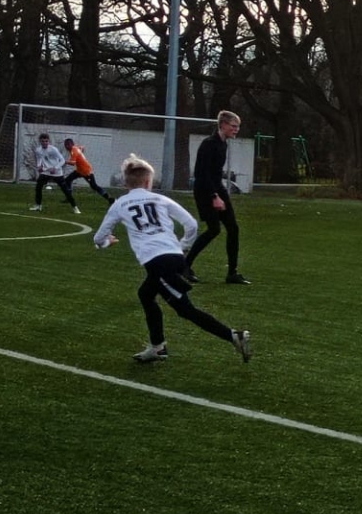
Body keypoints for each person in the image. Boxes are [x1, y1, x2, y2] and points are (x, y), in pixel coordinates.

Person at [93, 155, 250, 364]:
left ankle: (233, 336)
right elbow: (191, 224)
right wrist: (181, 246)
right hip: (173, 257)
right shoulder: (160, 199)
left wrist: (107, 242)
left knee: (186, 310)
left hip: (158, 264)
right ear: (148, 182)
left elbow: (98, 238)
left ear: (125, 184)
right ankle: (158, 347)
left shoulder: (119, 204)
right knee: (145, 294)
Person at [184, 110, 249, 285]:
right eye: (233, 126)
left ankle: (232, 273)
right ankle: (185, 265)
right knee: (214, 229)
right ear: (223, 125)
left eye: (238, 127)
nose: (236, 129)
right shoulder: (209, 144)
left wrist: (220, 194)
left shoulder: (223, 144)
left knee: (233, 228)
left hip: (217, 188)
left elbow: (215, 174)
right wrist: (214, 196)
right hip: (204, 191)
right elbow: (202, 174)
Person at [30, 134, 78, 212]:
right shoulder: (38, 150)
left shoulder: (53, 149)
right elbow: (39, 159)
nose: (45, 143)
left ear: (48, 141)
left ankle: (75, 207)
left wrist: (55, 168)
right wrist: (39, 166)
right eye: (43, 141)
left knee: (65, 190)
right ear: (40, 142)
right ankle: (38, 206)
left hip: (57, 172)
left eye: (46, 141)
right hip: (46, 171)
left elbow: (62, 160)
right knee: (38, 187)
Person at [62, 138, 112, 203]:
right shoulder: (75, 148)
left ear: (71, 144)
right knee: (67, 180)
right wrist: (81, 151)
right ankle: (69, 198)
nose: (66, 147)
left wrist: (64, 161)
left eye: (67, 145)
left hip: (86, 171)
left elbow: (73, 163)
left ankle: (109, 198)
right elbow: (82, 147)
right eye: (65, 145)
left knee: (94, 186)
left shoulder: (73, 151)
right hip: (80, 170)